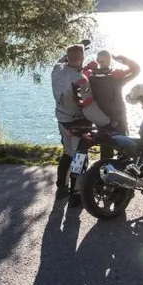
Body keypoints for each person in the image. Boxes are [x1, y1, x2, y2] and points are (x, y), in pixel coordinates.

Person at [51, 42, 114, 201]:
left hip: (62, 119)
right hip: (78, 122)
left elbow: (61, 60)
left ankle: (61, 187)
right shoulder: (80, 80)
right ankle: (76, 194)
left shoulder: (57, 70)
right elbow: (89, 108)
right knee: (79, 157)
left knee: (68, 153)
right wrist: (107, 122)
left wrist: (77, 49)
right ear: (83, 58)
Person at [85, 50, 141, 160]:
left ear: (97, 61)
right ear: (109, 61)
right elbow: (136, 69)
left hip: (102, 119)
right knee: (125, 150)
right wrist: (123, 59)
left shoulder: (91, 78)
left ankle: (103, 168)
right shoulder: (116, 77)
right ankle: (123, 167)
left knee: (106, 152)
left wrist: (88, 67)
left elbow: (76, 77)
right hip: (119, 118)